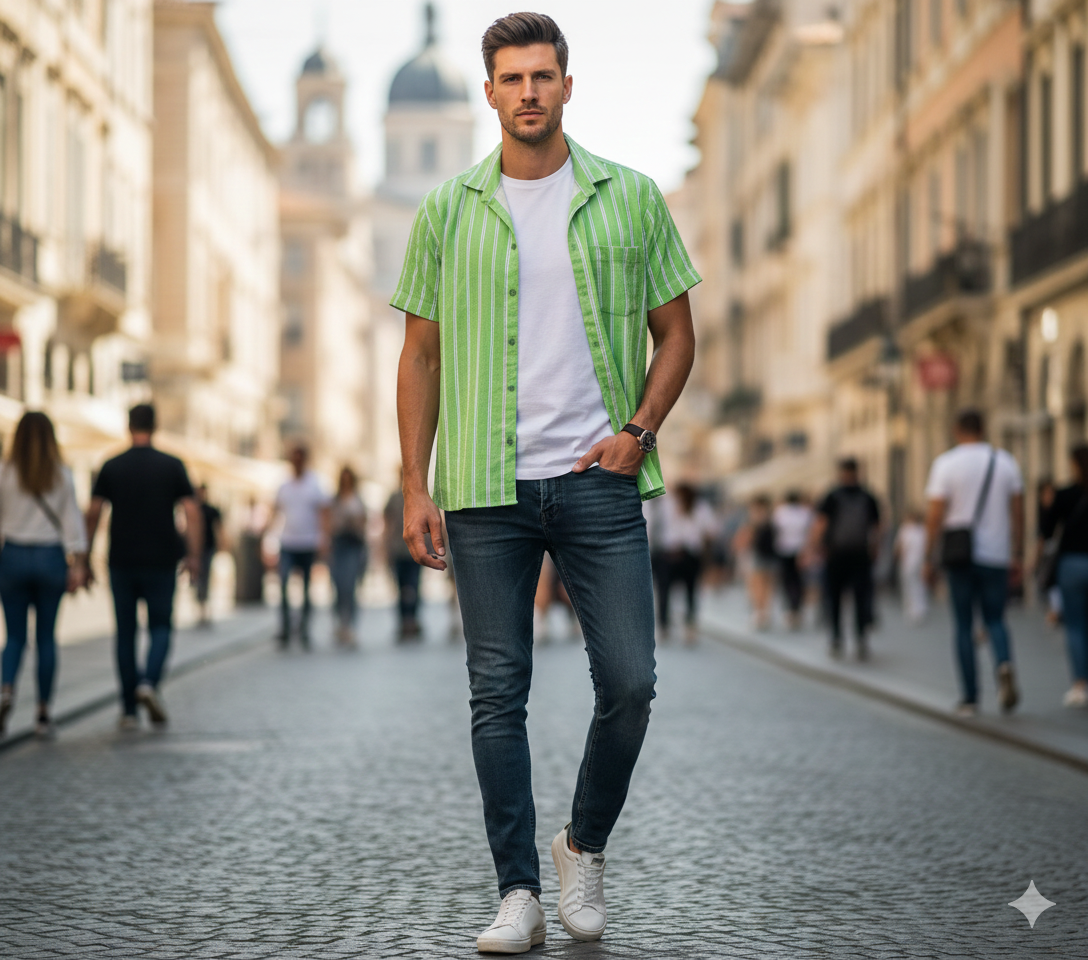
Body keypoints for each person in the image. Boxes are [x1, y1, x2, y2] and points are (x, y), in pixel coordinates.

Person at [392, 12, 700, 952]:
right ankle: (518, 890)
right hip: (484, 486)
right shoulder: (447, 208)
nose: (527, 91)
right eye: (511, 77)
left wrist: (637, 432)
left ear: (568, 86)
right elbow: (421, 356)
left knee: (632, 682)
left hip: (598, 480)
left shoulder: (633, 197)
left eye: (543, 76)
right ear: (488, 92)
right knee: (497, 694)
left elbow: (677, 335)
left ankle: (583, 846)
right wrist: (414, 483)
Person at [85, 403, 202, 729]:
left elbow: (93, 513)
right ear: (156, 426)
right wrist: (193, 556)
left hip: (121, 559)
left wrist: (83, 558)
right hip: (162, 560)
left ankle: (127, 711)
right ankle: (149, 683)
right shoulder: (172, 465)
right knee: (161, 627)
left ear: (128, 425)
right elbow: (192, 513)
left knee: (125, 634)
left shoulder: (111, 465)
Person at [923, 409, 1024, 717]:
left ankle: (970, 698)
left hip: (959, 556)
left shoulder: (946, 464)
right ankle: (1004, 663)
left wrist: (929, 555)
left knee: (964, 626)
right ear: (983, 429)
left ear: (957, 430)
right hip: (996, 554)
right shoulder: (1005, 461)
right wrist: (1017, 552)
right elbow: (1018, 513)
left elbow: (936, 514)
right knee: (995, 619)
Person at [0, 412, 88, 738]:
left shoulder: (4, 473)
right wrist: (79, 564)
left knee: (14, 638)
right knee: (47, 639)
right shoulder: (62, 474)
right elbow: (73, 525)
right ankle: (42, 715)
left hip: (12, 555)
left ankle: (6, 689)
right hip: (50, 557)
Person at [809, 459, 881, 660]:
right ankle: (861, 640)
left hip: (835, 555)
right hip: (860, 554)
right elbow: (878, 528)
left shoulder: (832, 495)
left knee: (834, 598)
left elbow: (820, 524)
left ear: (841, 473)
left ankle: (836, 639)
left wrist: (814, 547)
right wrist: (875, 550)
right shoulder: (868, 496)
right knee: (861, 598)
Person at [1040, 444, 1088, 708]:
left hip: (1071, 564)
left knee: (1076, 626)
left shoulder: (1065, 494)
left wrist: (1048, 506)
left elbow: (1047, 530)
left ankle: (1080, 685)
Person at [270, 443, 329, 648]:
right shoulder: (283, 485)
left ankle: (304, 629)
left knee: (305, 590)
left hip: (308, 542)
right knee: (284, 586)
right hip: (287, 542)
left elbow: (324, 513)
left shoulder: (315, 484)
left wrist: (324, 538)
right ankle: (285, 629)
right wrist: (269, 539)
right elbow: (275, 512)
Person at [655, 483, 715, 641]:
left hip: (690, 554)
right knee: (664, 591)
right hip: (669, 553)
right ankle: (664, 625)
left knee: (691, 591)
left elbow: (710, 531)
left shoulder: (700, 508)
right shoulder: (667, 505)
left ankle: (689, 625)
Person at [329, 466, 367, 647]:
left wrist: (353, 522)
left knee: (350, 585)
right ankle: (340, 622)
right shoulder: (335, 499)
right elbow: (328, 523)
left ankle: (350, 625)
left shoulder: (358, 499)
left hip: (353, 545)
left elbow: (363, 524)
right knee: (338, 585)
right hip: (338, 545)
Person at [383, 485, 422, 640]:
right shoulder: (394, 497)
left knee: (413, 586)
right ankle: (403, 621)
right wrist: (386, 546)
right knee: (401, 587)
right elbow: (387, 522)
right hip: (398, 548)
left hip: (416, 548)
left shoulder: (419, 494)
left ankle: (412, 619)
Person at [732, 495, 777, 631]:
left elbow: (743, 537)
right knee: (767, 585)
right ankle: (764, 612)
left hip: (756, 554)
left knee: (756, 584)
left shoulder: (752, 519)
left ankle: (759, 611)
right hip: (771, 555)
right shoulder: (772, 518)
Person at [772, 491, 813, 629]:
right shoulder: (805, 512)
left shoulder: (780, 512)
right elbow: (809, 532)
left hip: (784, 551)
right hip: (800, 551)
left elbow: (775, 530)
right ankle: (796, 609)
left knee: (787, 581)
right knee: (798, 581)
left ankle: (791, 609)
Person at [193, 484, 223, 627]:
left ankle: (205, 610)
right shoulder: (194, 508)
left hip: (208, 548)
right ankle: (200, 610)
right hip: (196, 550)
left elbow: (219, 528)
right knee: (198, 580)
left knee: (205, 579)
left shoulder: (210, 510)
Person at [894, 509, 929, 624]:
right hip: (920, 562)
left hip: (909, 563)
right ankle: (919, 609)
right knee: (920, 586)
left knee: (910, 586)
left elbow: (899, 548)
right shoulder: (922, 530)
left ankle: (912, 611)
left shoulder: (905, 529)